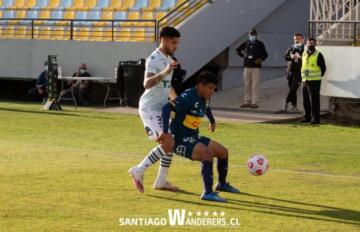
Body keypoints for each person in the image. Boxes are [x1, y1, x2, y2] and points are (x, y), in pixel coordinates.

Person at [160, 71, 240, 202]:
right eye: (210, 88)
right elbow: (166, 108)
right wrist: (164, 132)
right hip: (179, 140)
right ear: (200, 86)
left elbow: (206, 107)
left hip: (193, 136)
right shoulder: (188, 97)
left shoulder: (205, 97)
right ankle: (208, 193)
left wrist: (212, 120)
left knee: (223, 152)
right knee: (206, 154)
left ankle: (222, 184)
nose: (212, 92)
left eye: (214, 89)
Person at [128, 27, 181, 193]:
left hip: (161, 108)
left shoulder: (168, 58)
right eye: (174, 42)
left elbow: (168, 84)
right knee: (168, 141)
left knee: (172, 140)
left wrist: (177, 101)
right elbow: (147, 83)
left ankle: (161, 181)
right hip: (150, 108)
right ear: (163, 39)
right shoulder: (154, 59)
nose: (176, 46)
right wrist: (166, 71)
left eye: (178, 43)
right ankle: (138, 170)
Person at [236, 28, 268, 108]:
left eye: (253, 34)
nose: (252, 35)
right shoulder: (246, 43)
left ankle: (255, 102)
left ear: (256, 35)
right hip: (247, 66)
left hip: (256, 67)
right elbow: (237, 49)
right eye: (251, 34)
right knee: (247, 85)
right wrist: (243, 56)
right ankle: (247, 101)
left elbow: (265, 54)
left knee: (255, 85)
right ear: (249, 35)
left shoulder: (260, 44)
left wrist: (261, 59)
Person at [300, 37, 326, 124]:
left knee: (314, 101)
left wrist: (318, 76)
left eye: (311, 43)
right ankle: (307, 117)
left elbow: (323, 68)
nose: (310, 44)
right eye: (308, 43)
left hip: (314, 81)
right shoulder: (304, 54)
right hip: (305, 81)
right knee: (306, 101)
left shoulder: (318, 54)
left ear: (315, 44)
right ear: (306, 44)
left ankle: (315, 119)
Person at [283, 33, 305, 112]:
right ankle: (294, 106)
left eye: (298, 38)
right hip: (290, 71)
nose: (296, 40)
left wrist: (300, 57)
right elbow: (285, 57)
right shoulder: (291, 47)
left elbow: (308, 57)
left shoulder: (304, 48)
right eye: (295, 39)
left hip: (299, 71)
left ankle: (286, 102)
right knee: (292, 89)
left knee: (294, 88)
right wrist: (291, 57)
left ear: (302, 39)